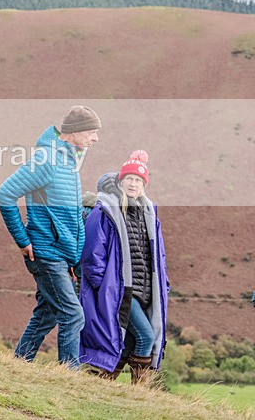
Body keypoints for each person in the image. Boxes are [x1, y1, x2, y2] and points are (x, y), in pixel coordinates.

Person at [0, 106, 101, 368]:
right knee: (72, 315)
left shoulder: (69, 160)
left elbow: (71, 214)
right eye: (91, 131)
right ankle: (68, 380)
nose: (95, 138)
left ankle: (18, 365)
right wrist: (22, 240)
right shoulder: (47, 159)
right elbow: (5, 195)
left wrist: (75, 259)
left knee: (46, 315)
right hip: (45, 252)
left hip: (61, 254)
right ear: (74, 132)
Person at [80, 151, 169, 384]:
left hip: (144, 290)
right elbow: (91, 254)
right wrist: (104, 286)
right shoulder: (105, 211)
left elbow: (156, 255)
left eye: (138, 180)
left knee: (129, 340)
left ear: (144, 185)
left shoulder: (148, 215)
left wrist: (164, 283)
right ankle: (138, 391)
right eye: (128, 178)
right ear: (120, 182)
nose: (133, 183)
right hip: (120, 290)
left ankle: (101, 383)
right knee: (145, 336)